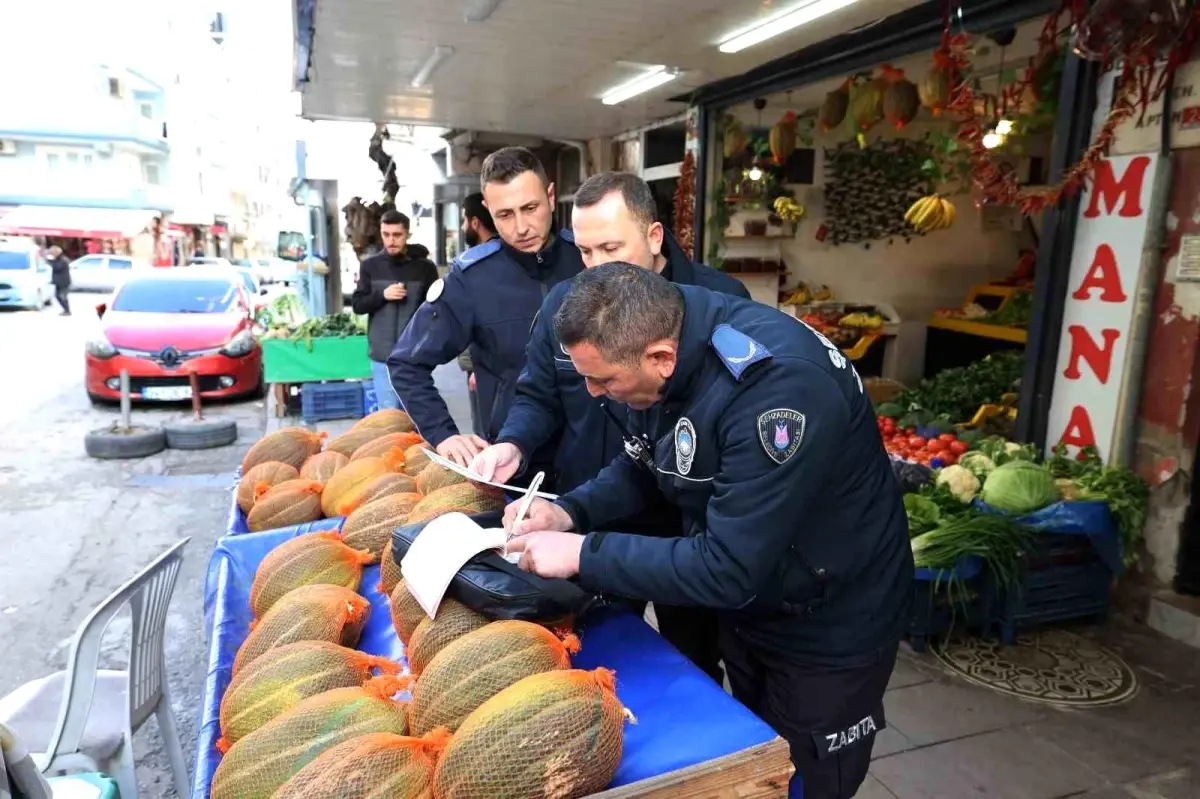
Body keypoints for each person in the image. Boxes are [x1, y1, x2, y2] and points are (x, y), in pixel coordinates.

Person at [503, 263, 913, 799]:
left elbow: (729, 567)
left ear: (660, 358)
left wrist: (584, 552)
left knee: (806, 779)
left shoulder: (777, 389)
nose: (593, 392)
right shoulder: (665, 344)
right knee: (754, 763)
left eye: (602, 379)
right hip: (759, 605)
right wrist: (569, 512)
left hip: (830, 626)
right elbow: (647, 464)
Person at [470, 171, 751, 681]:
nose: (596, 268)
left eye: (610, 248)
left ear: (654, 236)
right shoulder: (566, 306)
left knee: (690, 663)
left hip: (682, 531)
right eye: (585, 252)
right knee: (595, 654)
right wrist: (514, 442)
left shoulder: (718, 301)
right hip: (590, 512)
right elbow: (538, 393)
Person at [387, 146, 583, 471]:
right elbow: (406, 363)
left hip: (598, 461)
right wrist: (443, 434)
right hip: (513, 466)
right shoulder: (472, 279)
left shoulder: (588, 258)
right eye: (504, 215)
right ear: (488, 211)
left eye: (530, 207)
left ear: (550, 197)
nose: (521, 228)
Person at [351, 210, 439, 411]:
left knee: (417, 416)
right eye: (386, 234)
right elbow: (358, 305)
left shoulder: (424, 268)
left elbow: (437, 309)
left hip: (415, 356)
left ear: (407, 234)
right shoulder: (369, 266)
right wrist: (382, 295)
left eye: (397, 235)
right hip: (382, 356)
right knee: (390, 417)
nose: (391, 240)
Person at [455, 192, 497, 437]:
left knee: (485, 434)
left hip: (486, 369)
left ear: (474, 222)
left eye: (464, 220)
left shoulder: (473, 267)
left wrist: (473, 368)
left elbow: (474, 322)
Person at [46, 246, 71, 316]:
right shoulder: (58, 259)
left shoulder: (62, 260)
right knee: (58, 296)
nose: (51, 255)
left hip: (63, 282)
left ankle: (67, 310)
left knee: (62, 296)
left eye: (52, 253)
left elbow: (57, 267)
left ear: (56, 253)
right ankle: (66, 310)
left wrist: (50, 261)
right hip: (59, 281)